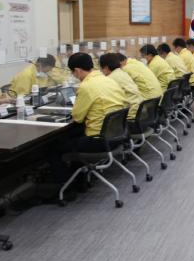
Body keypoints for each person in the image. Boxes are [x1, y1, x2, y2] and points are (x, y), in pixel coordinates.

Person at [47, 52, 126, 186]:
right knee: (74, 136)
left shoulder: (86, 86)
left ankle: (66, 186)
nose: (74, 76)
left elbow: (77, 118)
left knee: (52, 147)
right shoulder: (108, 80)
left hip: (99, 140)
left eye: (73, 73)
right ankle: (80, 180)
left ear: (77, 71)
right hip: (116, 135)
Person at [99, 53, 143, 120]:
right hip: (139, 111)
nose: (101, 71)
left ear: (106, 67)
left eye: (101, 69)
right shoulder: (122, 73)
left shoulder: (110, 79)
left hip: (131, 114)